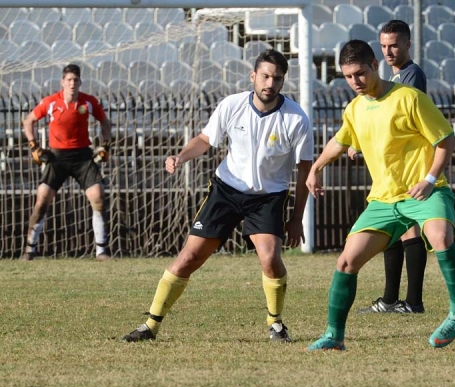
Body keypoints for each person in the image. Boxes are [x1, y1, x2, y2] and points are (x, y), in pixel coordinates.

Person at [122, 49, 314, 343]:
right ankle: (150, 325)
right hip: (225, 191)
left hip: (268, 197)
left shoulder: (296, 118)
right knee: (188, 257)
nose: (270, 83)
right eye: (265, 76)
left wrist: (296, 218)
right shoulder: (232, 105)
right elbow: (205, 140)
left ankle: (275, 324)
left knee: (270, 258)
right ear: (253, 76)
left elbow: (305, 170)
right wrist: (180, 157)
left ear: (282, 81)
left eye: (276, 78)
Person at [305, 40, 455, 351]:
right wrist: (316, 167)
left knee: (440, 237)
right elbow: (340, 141)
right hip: (383, 200)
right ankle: (334, 336)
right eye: (348, 76)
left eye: (360, 73)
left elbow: (446, 139)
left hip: (425, 191)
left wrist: (430, 179)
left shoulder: (410, 98)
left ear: (375, 66)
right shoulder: (354, 108)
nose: (355, 81)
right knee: (347, 261)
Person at [355, 19, 428, 315]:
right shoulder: (395, 76)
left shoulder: (412, 76)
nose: (388, 51)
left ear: (408, 44)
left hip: (408, 166)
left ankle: (412, 302)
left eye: (394, 45)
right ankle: (390, 300)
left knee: (408, 229)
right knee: (395, 228)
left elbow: (397, 119)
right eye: (384, 46)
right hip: (393, 167)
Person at [21, 63, 112, 261]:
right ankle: (29, 250)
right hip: (58, 157)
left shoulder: (88, 102)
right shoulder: (50, 102)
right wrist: (34, 146)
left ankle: (101, 251)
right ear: (62, 82)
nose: (72, 83)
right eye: (69, 80)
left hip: (82, 157)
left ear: (80, 82)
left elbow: (105, 122)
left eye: (75, 80)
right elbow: (28, 121)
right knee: (42, 198)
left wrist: (105, 145)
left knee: (98, 195)